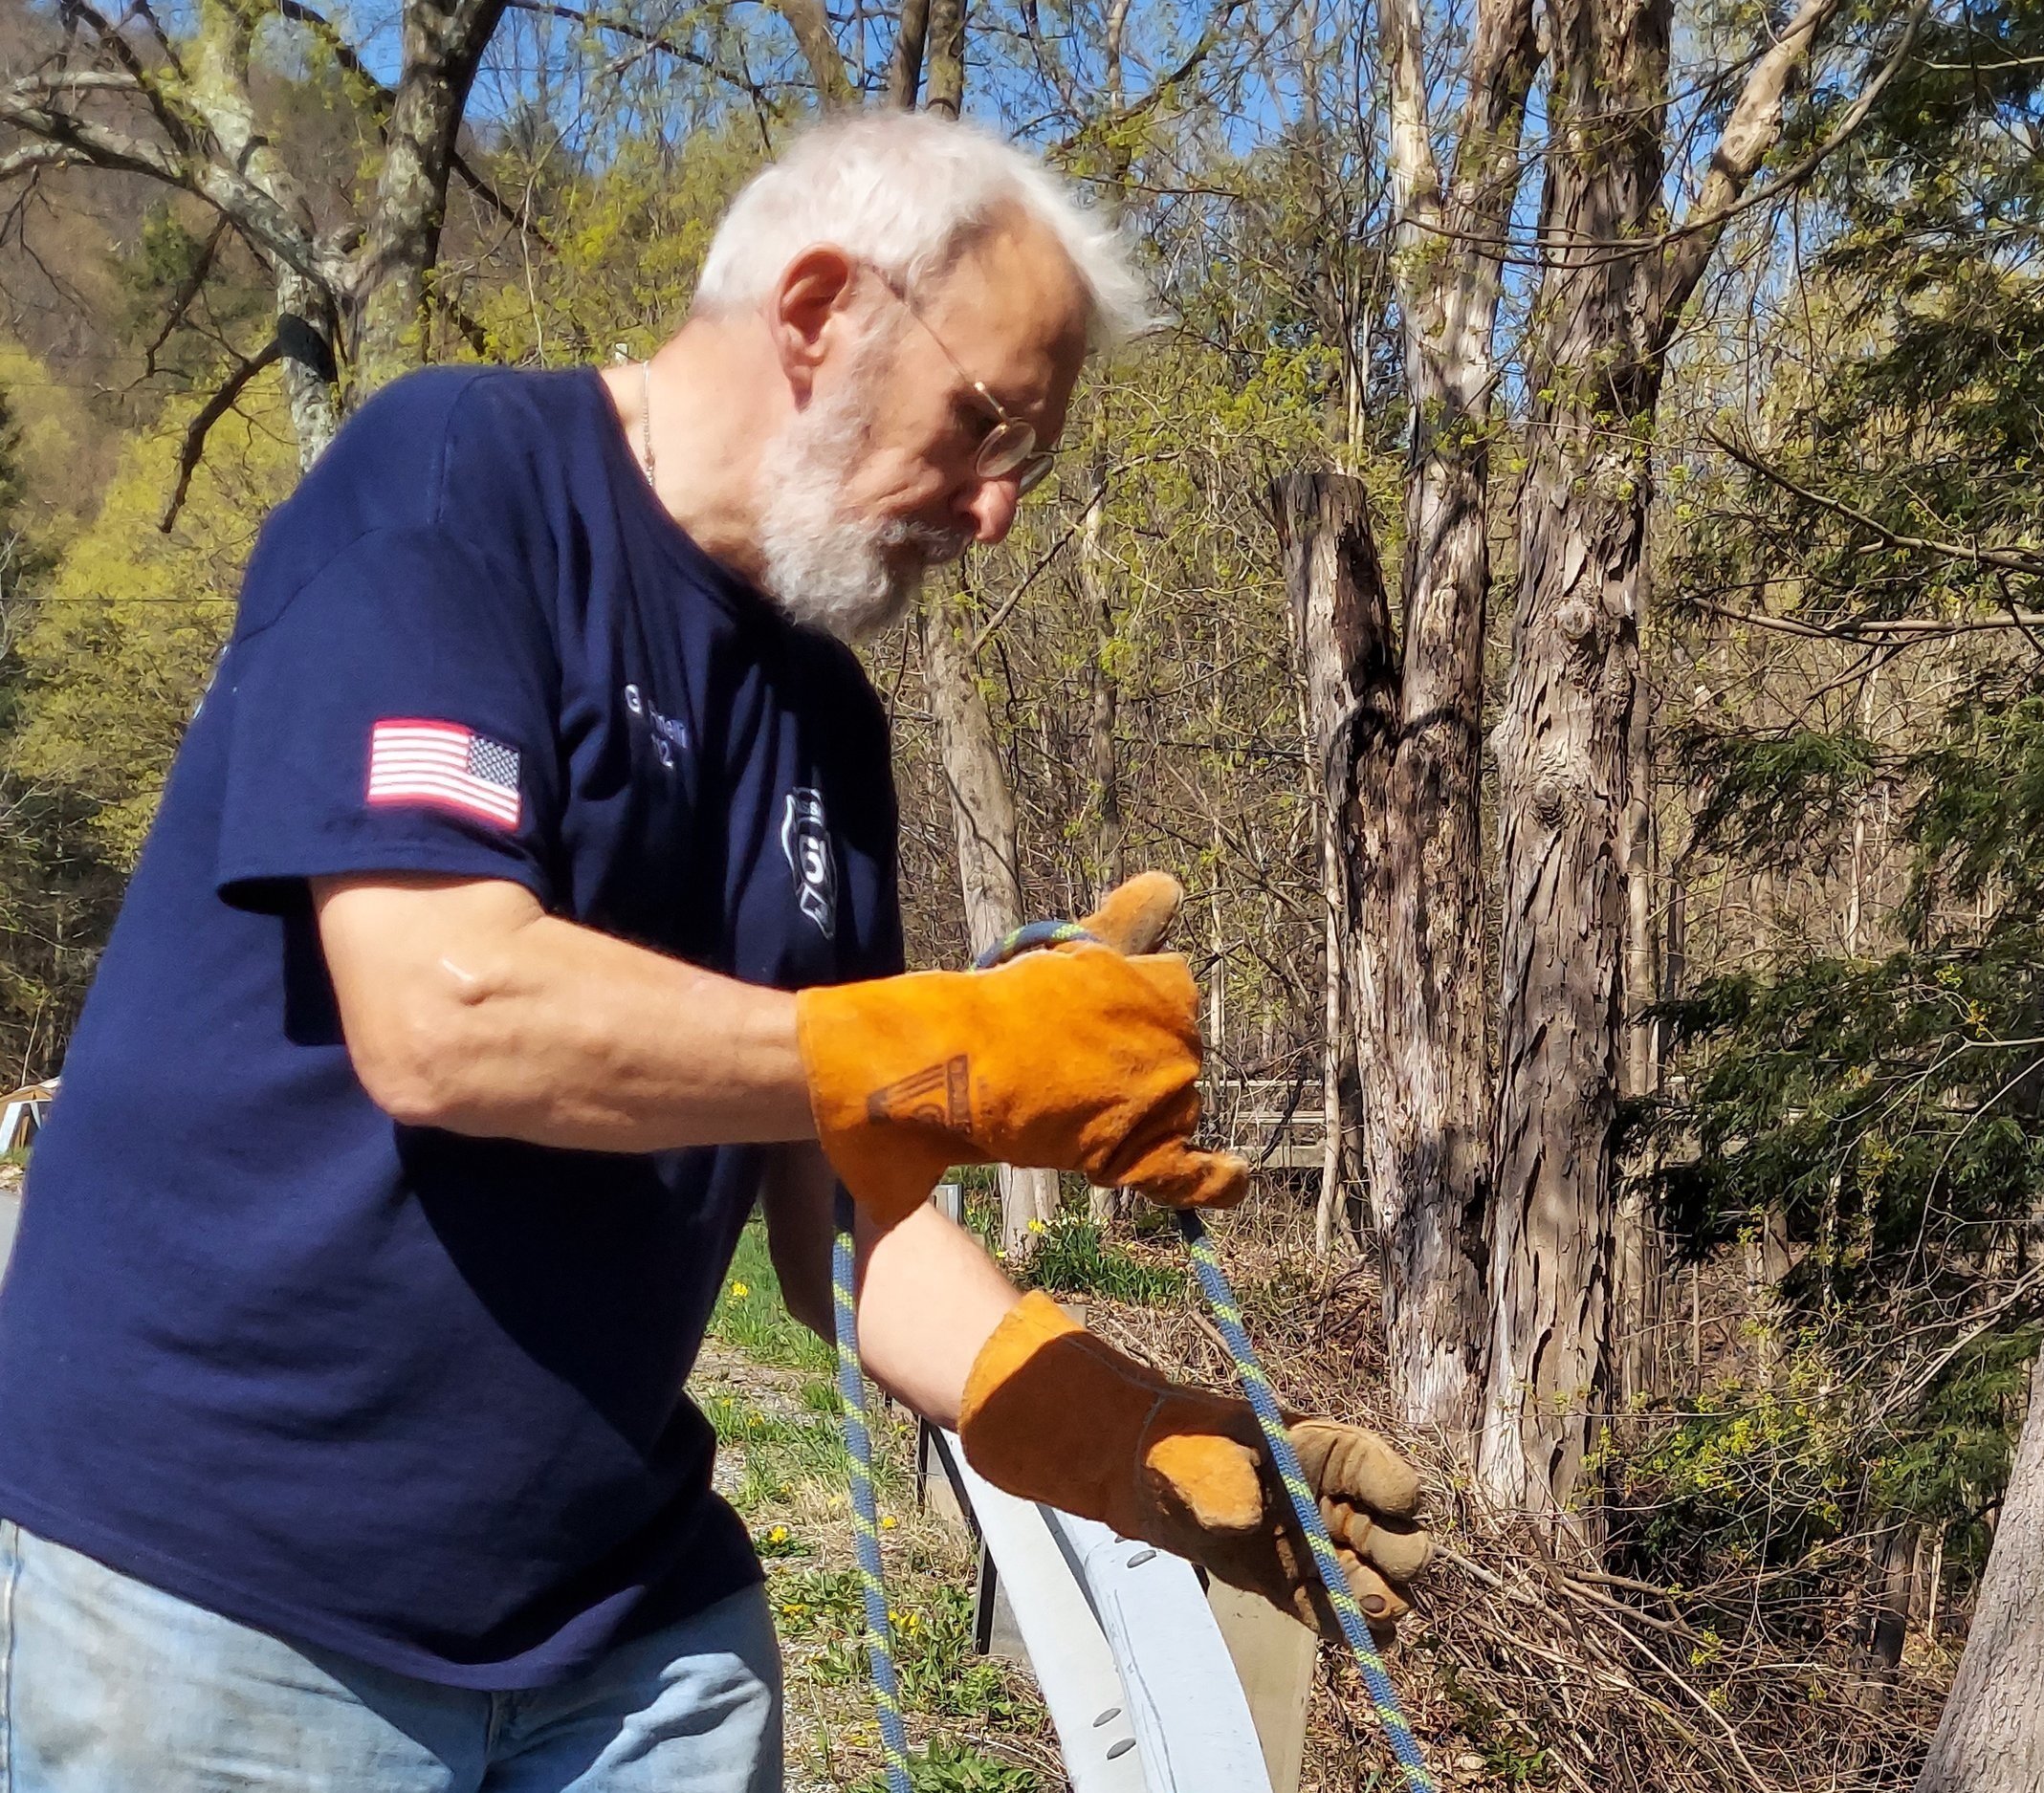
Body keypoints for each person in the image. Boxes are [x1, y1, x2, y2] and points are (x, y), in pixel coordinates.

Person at [0, 111, 1429, 1792]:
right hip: (228, 1591)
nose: (996, 515)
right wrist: (954, 1045)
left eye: (1027, 466)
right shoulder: (456, 482)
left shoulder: (832, 723)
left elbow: (842, 1224)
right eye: (983, 428)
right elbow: (447, 1012)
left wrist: (1129, 1437)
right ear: (819, 307)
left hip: (622, 1628)